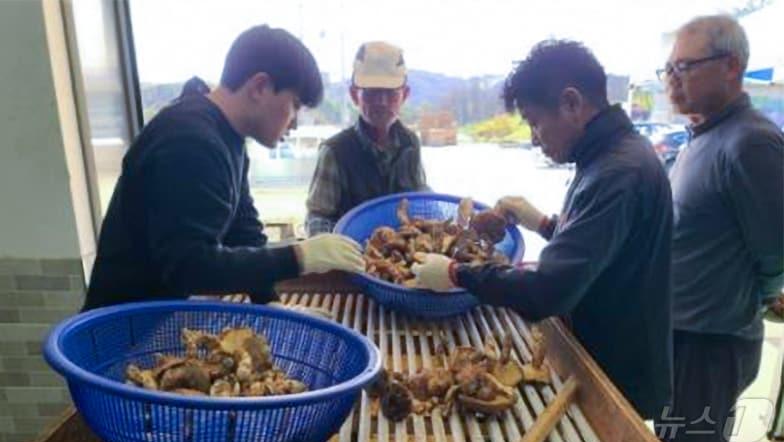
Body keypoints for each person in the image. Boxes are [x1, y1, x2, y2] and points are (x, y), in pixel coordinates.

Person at [411, 40, 673, 420]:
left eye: (535, 121)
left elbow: (548, 292)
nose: (534, 137)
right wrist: (545, 224)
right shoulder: (610, 156)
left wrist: (455, 272)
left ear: (571, 103)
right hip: (605, 356)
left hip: (619, 375)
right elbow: (605, 250)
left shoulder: (618, 172)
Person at [83, 25, 364, 311]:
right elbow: (189, 266)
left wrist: (269, 302)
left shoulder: (229, 137)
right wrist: (299, 257)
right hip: (121, 331)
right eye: (294, 104)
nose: (294, 122)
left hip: (157, 317)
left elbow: (245, 231)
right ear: (259, 87)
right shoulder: (189, 141)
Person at [656, 15, 784, 442]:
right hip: (682, 338)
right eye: (668, 70)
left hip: (712, 347)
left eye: (684, 67)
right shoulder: (700, 137)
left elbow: (777, 252)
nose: (672, 80)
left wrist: (758, 297)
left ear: (731, 66)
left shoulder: (751, 143)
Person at [305, 41, 429, 236]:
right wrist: (333, 252)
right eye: (371, 93)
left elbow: (421, 198)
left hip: (404, 253)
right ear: (355, 95)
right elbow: (318, 217)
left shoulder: (410, 143)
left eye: (390, 93)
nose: (381, 102)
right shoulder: (335, 152)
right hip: (351, 256)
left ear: (405, 95)